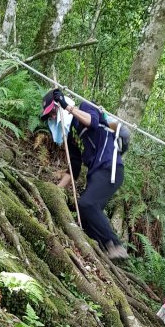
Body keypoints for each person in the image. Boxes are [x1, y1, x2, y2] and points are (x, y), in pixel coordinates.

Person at [41, 89, 129, 260]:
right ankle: (98, 254)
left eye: (52, 112)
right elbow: (74, 168)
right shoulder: (70, 134)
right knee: (85, 219)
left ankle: (116, 246)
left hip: (110, 168)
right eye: (49, 116)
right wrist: (56, 191)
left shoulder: (85, 107)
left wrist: (67, 107)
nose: (52, 118)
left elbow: (93, 122)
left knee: (87, 204)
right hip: (96, 174)